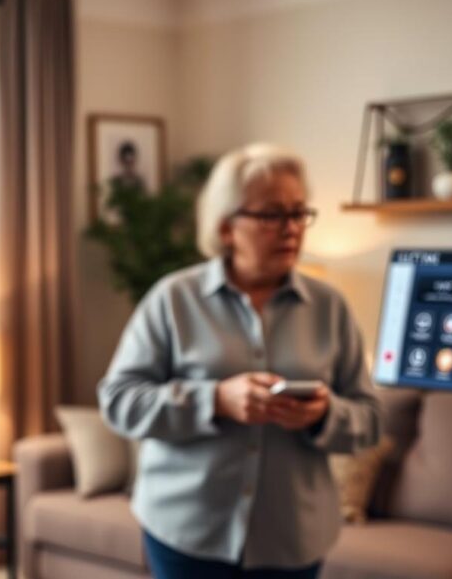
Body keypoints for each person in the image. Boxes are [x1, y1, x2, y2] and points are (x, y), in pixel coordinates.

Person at [98, 143, 382, 579]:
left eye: (298, 213)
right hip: (185, 532)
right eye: (271, 215)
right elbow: (119, 401)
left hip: (292, 541)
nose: (291, 230)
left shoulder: (330, 308)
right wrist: (213, 400)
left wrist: (324, 415)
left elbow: (371, 420)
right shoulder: (173, 299)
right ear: (227, 226)